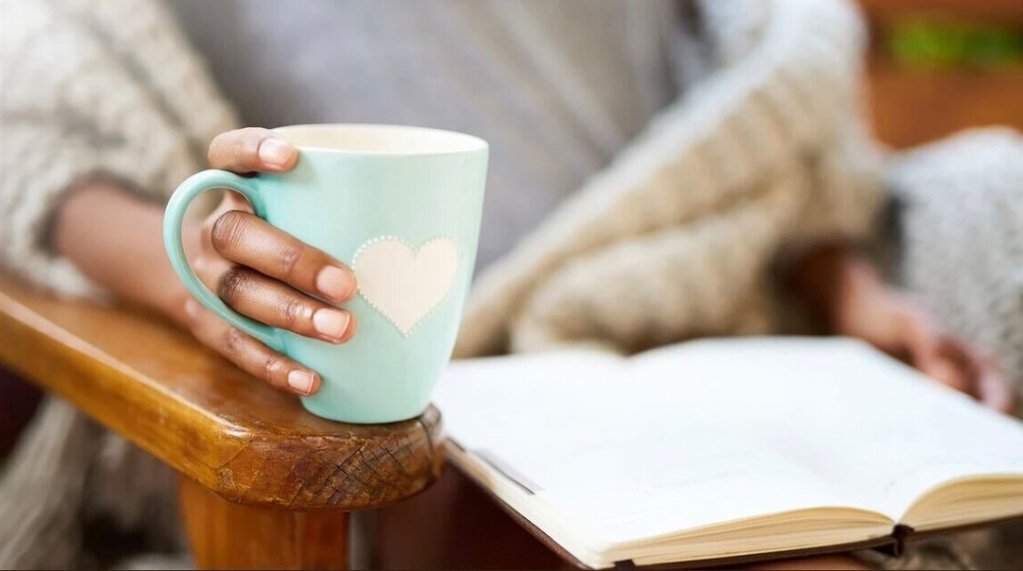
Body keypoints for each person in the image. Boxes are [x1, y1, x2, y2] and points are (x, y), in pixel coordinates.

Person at [1, 0, 1021, 568]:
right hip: (447, 410)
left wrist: (847, 287)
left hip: (715, 327)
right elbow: (37, 123)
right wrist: (201, 268)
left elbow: (763, 123)